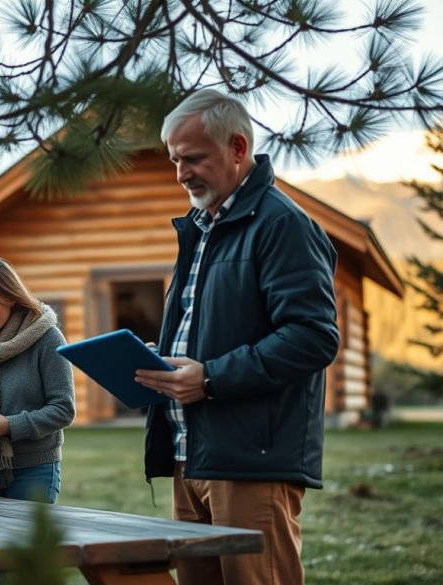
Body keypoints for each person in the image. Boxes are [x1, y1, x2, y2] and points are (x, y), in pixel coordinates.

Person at [134, 89, 340, 585]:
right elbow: (208, 333)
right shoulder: (202, 228)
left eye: (193, 158)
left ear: (238, 148)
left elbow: (313, 336)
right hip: (191, 454)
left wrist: (210, 380)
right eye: (174, 160)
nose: (180, 173)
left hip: (252, 462)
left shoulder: (282, 224)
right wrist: (164, 364)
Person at [0, 257, 75, 504]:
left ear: (9, 295)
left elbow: (63, 409)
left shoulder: (47, 338)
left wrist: (9, 425)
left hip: (35, 468)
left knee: (29, 542)